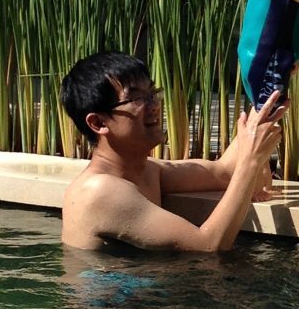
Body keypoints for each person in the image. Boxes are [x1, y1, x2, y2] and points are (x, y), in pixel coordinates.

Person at [59, 50, 286, 251]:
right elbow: (209, 245)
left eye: (152, 93)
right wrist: (251, 161)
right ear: (98, 123)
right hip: (113, 299)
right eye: (137, 98)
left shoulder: (149, 171)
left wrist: (271, 91)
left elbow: (224, 171)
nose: (155, 105)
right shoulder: (98, 191)